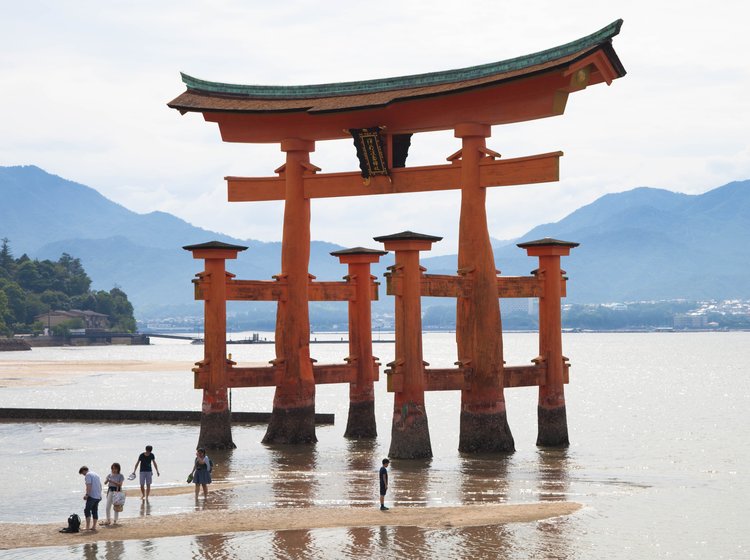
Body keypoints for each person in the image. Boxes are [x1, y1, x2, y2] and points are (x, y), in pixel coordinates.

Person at [78, 466, 102, 531]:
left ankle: (87, 527)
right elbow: (100, 485)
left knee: (87, 510)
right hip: (98, 496)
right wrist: (100, 495)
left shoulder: (88, 475)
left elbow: (89, 485)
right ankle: (94, 526)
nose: (84, 475)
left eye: (83, 473)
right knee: (95, 510)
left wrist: (87, 495)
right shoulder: (96, 474)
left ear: (84, 470)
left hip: (92, 496)